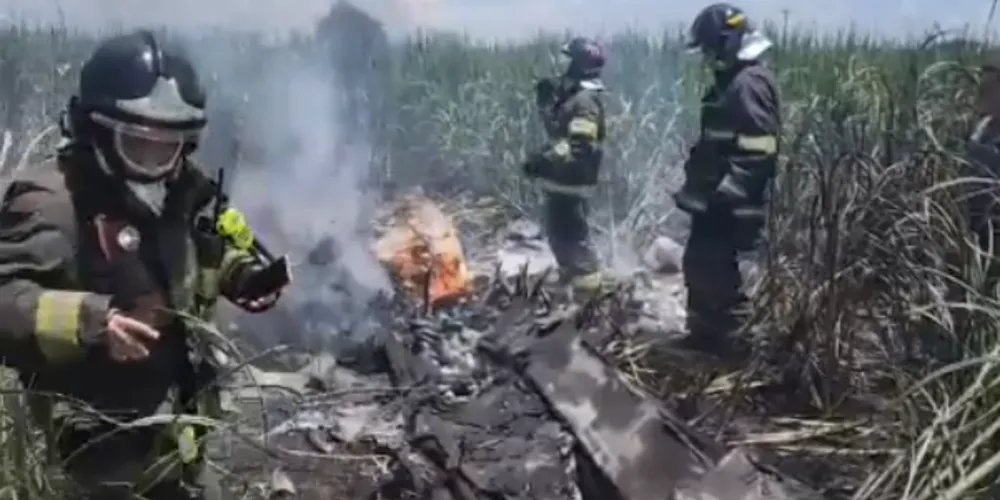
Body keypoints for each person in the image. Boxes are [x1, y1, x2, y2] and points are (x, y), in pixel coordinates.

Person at [0, 30, 288, 499]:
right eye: (139, 144)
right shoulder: (54, 202)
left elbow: (197, 254)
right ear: (95, 130)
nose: (155, 161)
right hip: (90, 462)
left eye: (167, 145)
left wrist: (243, 277)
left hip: (180, 441)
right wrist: (88, 320)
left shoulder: (181, 193)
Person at [674, 3, 780, 353]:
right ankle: (704, 336)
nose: (707, 56)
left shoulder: (749, 83)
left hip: (734, 201)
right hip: (717, 198)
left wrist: (731, 188)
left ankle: (736, 346)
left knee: (717, 269)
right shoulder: (730, 82)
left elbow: (759, 147)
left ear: (728, 41)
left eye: (709, 47)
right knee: (699, 263)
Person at [522, 36, 608, 292]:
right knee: (561, 238)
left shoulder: (584, 102)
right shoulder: (573, 99)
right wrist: (545, 106)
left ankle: (590, 297)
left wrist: (542, 161)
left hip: (572, 184)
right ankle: (572, 287)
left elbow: (579, 148)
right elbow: (560, 136)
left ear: (578, 65)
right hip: (562, 183)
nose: (562, 65)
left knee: (574, 240)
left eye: (567, 60)